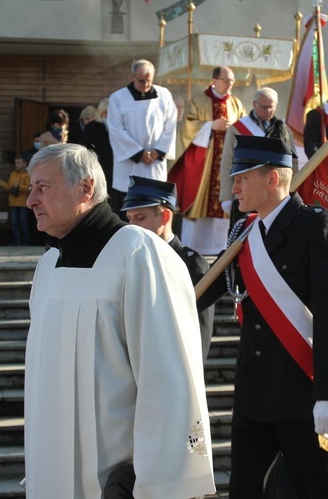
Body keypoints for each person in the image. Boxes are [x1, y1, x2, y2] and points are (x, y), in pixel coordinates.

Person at [23, 143, 214, 498]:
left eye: (43, 187)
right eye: (31, 188)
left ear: (85, 188)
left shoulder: (140, 255)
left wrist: (157, 483)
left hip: (120, 481)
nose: (30, 200)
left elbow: (170, 382)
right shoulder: (48, 265)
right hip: (51, 471)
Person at [198, 135, 328, 498]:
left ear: (272, 179)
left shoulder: (316, 226)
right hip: (253, 394)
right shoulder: (244, 232)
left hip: (302, 393)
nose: (234, 187)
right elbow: (208, 289)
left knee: (317, 490)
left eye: (243, 178)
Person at [122, 175, 214, 361]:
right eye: (129, 219)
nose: (132, 227)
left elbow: (199, 334)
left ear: (164, 216)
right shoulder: (128, 261)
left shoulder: (191, 264)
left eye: (140, 218)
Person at [172, 65, 246, 255]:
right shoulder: (198, 100)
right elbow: (185, 127)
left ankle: (221, 251)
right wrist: (210, 125)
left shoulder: (236, 103)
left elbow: (245, 128)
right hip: (203, 164)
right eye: (226, 80)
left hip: (227, 164)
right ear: (214, 80)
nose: (230, 84)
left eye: (232, 81)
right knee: (198, 205)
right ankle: (191, 251)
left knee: (225, 207)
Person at [219, 87, 299, 226]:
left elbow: (293, 163)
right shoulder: (237, 128)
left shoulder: (284, 129)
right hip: (246, 194)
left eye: (271, 107)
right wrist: (226, 196)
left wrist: (293, 188)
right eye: (264, 107)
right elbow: (227, 162)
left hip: (275, 195)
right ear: (255, 104)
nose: (268, 111)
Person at [107, 59, 177, 216]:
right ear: (132, 77)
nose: (146, 84)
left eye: (149, 80)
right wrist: (139, 153)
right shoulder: (118, 98)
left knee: (155, 210)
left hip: (155, 164)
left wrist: (158, 151)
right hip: (129, 166)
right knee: (127, 214)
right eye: (142, 80)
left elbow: (171, 125)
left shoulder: (164, 95)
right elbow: (116, 130)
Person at [84, 98, 116, 212]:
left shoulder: (118, 127)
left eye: (109, 112)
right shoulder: (91, 127)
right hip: (97, 166)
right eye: (104, 112)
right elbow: (86, 148)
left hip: (116, 168)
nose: (106, 115)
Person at [0, 155, 31, 246]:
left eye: (19, 163)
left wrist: (19, 187)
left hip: (23, 202)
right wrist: (0, 183)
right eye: (16, 163)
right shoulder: (13, 174)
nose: (17, 165)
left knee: (23, 223)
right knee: (14, 223)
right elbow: (10, 186)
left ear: (25, 164)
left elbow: (30, 188)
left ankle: (26, 242)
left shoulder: (27, 174)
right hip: (13, 202)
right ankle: (17, 241)